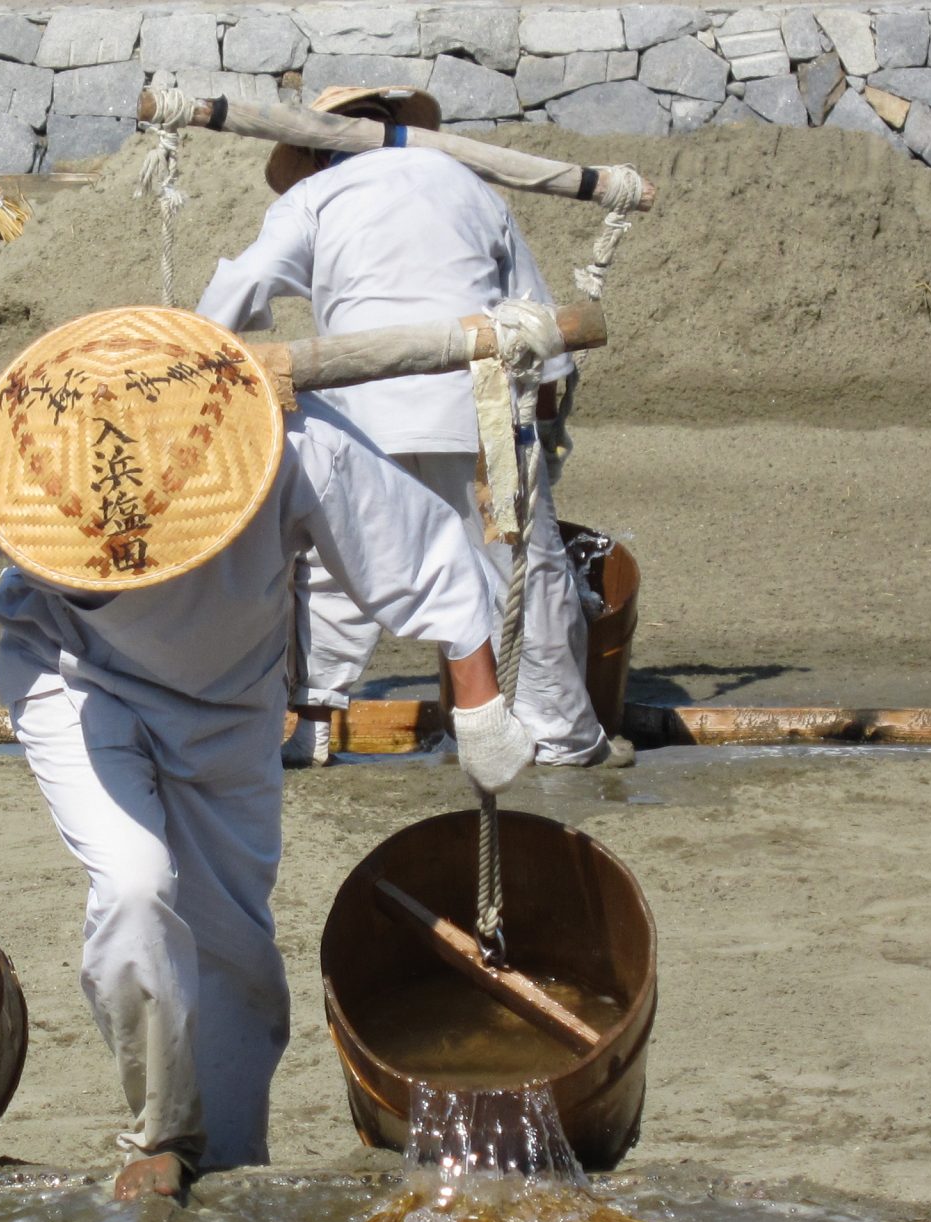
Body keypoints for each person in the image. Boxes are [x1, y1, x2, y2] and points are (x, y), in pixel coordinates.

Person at [0, 309, 540, 1200]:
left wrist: (481, 710)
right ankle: (159, 1136)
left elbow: (425, 564)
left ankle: (227, 1162)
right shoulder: (21, 430)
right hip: (73, 674)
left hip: (232, 700)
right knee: (134, 884)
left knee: (233, 947)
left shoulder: (284, 434)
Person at [194, 85, 626, 771]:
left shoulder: (312, 198)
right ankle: (562, 737)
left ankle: (309, 722)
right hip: (476, 402)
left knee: (331, 566)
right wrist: (540, 414)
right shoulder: (466, 182)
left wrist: (190, 368)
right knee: (519, 562)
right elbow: (536, 322)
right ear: (396, 127)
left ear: (311, 149)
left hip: (360, 411)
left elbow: (231, 296)